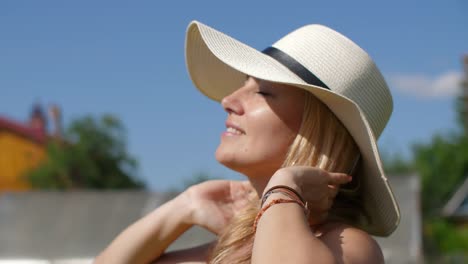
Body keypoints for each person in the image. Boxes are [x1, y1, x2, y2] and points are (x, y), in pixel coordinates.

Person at [95, 20, 400, 264]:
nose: (227, 101)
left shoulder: (350, 247)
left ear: (317, 130)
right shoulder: (230, 249)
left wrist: (283, 187)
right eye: (243, 86)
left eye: (263, 92)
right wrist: (186, 205)